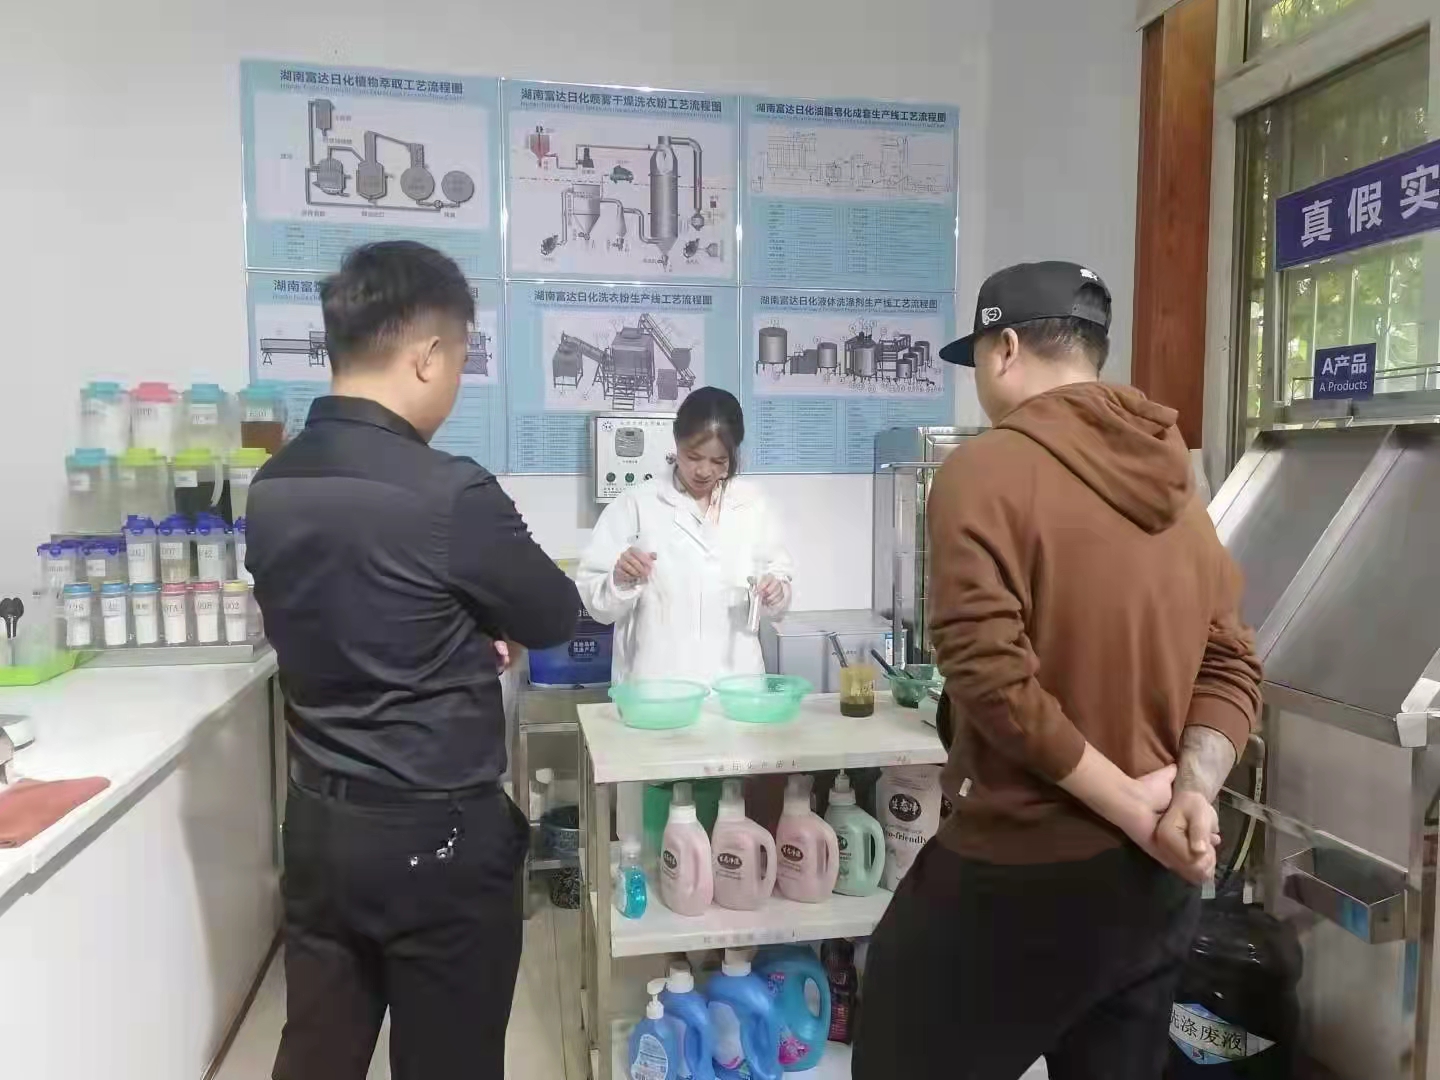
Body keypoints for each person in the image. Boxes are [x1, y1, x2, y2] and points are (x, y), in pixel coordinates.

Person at [852, 261, 1262, 1080]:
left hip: (1019, 872)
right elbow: (1232, 659)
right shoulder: (1177, 484)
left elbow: (989, 677)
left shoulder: (983, 470)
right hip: (1156, 886)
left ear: (1005, 349)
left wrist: (1136, 807)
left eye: (977, 361)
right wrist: (1190, 794)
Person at [246, 240, 580, 1080]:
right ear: (428, 355)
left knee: (317, 1054)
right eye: (461, 360)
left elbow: (358, 616)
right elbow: (551, 614)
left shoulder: (272, 485)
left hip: (316, 826)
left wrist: (454, 626)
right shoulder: (447, 493)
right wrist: (478, 624)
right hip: (436, 841)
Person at [576, 387, 794, 684]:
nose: (704, 471)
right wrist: (620, 579)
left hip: (736, 687)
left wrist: (776, 593)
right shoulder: (636, 505)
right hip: (658, 689)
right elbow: (597, 604)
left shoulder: (752, 505)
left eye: (719, 461)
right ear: (677, 442)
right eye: (693, 457)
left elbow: (778, 582)